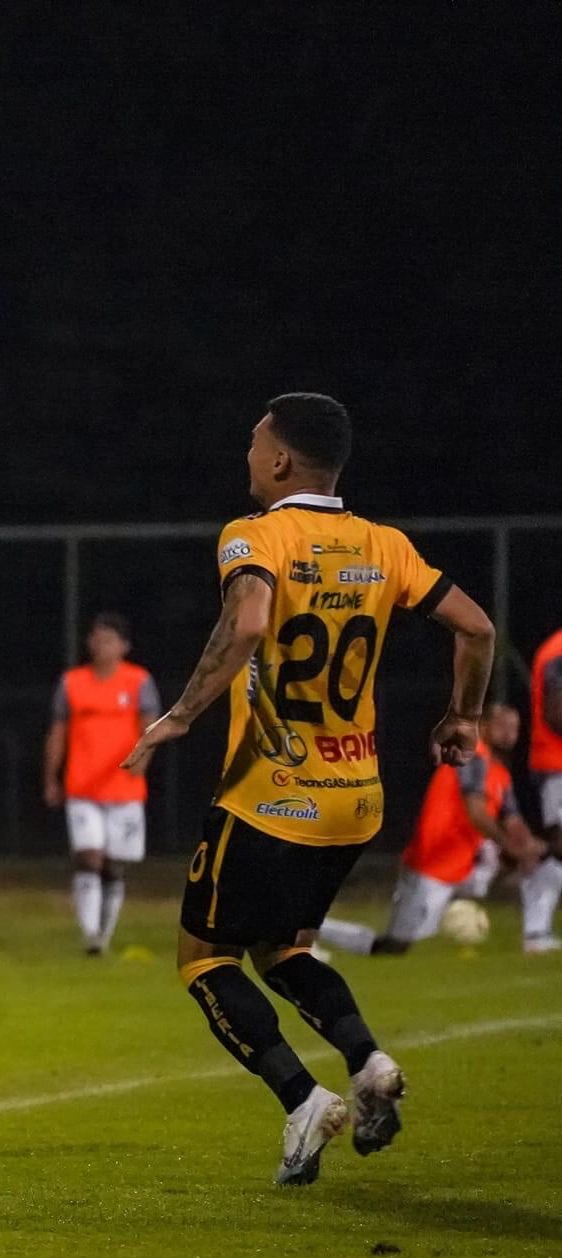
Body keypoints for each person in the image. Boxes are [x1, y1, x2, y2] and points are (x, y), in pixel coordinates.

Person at [123, 392, 495, 1185]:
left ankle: (302, 1101)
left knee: (202, 960)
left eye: (256, 441)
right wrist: (462, 716)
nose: (249, 453)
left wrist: (183, 715)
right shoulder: (383, 545)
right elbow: (477, 627)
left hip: (269, 797)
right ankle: (367, 1062)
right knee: (284, 948)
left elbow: (251, 622)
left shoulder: (256, 537)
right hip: (355, 796)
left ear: (282, 460)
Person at [319, 703, 550, 955]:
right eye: (502, 726)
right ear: (483, 727)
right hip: (431, 865)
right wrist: (514, 850)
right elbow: (477, 813)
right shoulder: (472, 756)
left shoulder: (500, 774)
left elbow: (512, 819)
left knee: (542, 862)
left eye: (514, 729)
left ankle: (535, 935)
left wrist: (528, 845)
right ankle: (311, 931)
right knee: (394, 947)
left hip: (461, 868)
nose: (509, 734)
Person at [44, 612, 161, 954]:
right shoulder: (72, 683)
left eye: (109, 639)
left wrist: (142, 761)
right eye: (96, 638)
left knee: (113, 862)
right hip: (82, 788)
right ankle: (90, 936)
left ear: (124, 646)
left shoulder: (138, 682)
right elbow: (57, 734)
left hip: (123, 788)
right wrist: (51, 777)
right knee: (88, 855)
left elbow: (152, 727)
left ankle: (104, 934)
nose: (101, 645)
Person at [519, 625, 562, 952]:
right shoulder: (557, 651)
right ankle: (535, 931)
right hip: (557, 764)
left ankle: (536, 929)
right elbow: (555, 713)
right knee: (556, 846)